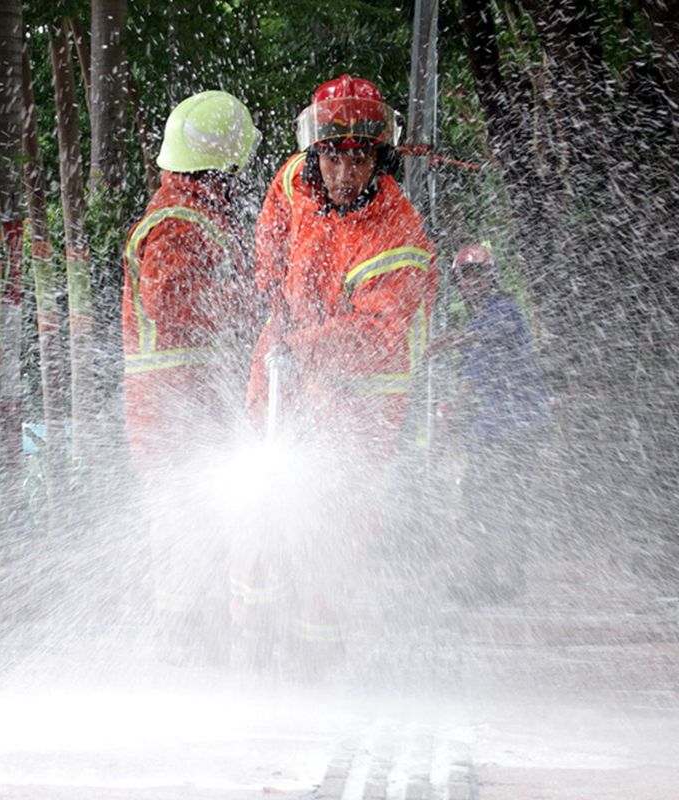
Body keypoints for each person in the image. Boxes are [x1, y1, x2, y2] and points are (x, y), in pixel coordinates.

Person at [235, 74, 438, 676]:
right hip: (286, 369)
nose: (343, 176)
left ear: (379, 157)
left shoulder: (398, 234)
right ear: (314, 152)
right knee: (259, 507)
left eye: (358, 161)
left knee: (332, 533)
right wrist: (270, 287)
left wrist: (302, 349)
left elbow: (378, 336)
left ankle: (314, 659)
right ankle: (251, 639)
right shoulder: (294, 180)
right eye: (332, 159)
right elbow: (273, 227)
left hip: (359, 404)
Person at [121, 89, 260, 662]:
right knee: (183, 533)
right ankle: (184, 644)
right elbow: (174, 307)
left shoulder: (193, 213)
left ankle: (194, 636)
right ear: (219, 169)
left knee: (196, 529)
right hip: (176, 413)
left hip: (184, 409)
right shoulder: (179, 224)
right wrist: (250, 303)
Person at [427, 243, 553, 604]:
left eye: (478, 274)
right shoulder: (476, 323)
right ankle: (486, 577)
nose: (472, 283)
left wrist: (446, 341)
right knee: (478, 498)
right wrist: (452, 417)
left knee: (505, 497)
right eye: (465, 277)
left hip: (520, 424)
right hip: (492, 425)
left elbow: (480, 335)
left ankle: (505, 578)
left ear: (492, 277)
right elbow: (470, 377)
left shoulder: (505, 312)